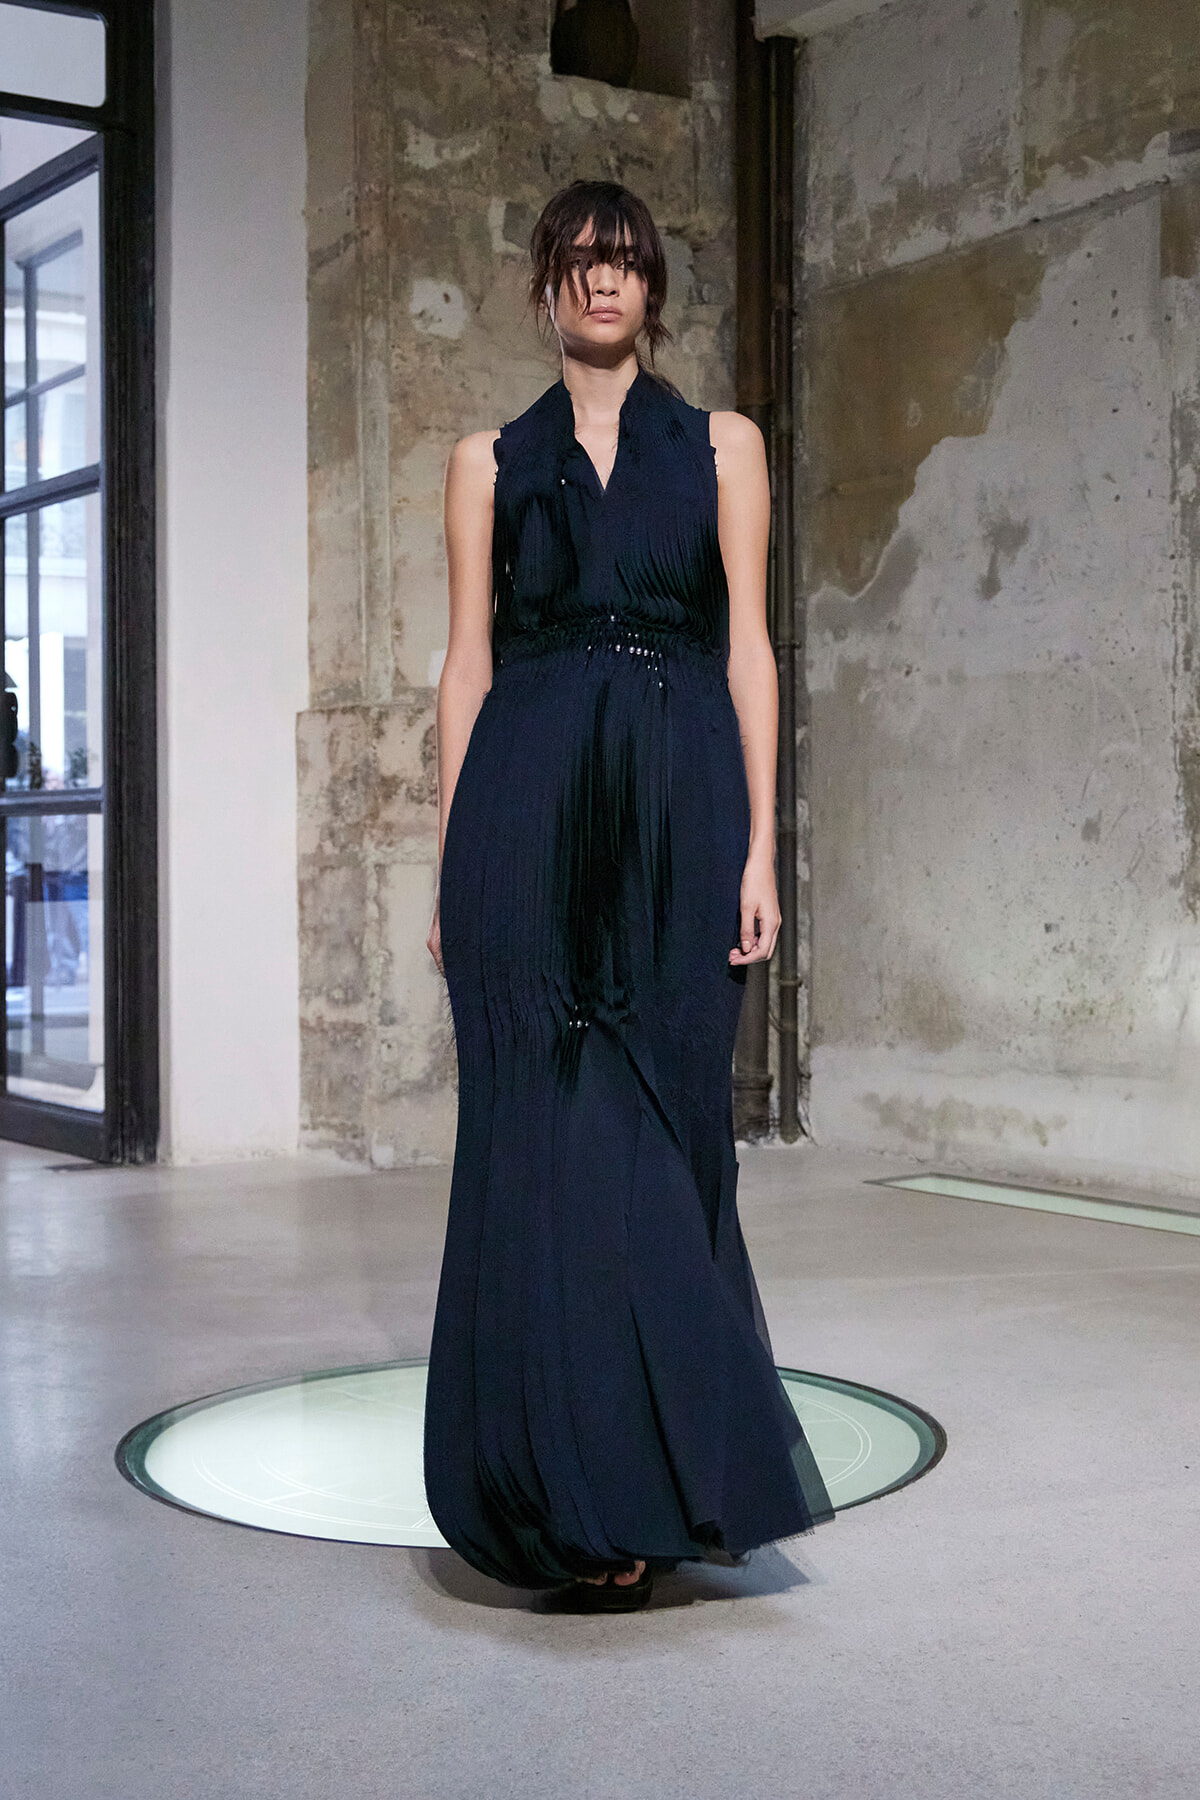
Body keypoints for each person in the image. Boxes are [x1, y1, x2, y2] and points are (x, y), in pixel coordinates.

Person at [423, 178, 833, 1612]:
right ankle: (556, 1497)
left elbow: (753, 654)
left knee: (669, 1147)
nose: (605, 281)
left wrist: (764, 847)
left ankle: (665, 1483)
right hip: (523, 819)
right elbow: (467, 664)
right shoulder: (487, 461)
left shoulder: (724, 448)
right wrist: (450, 855)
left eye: (627, 262)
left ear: (653, 290)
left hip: (681, 814)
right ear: (544, 289)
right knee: (538, 1151)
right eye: (580, 262)